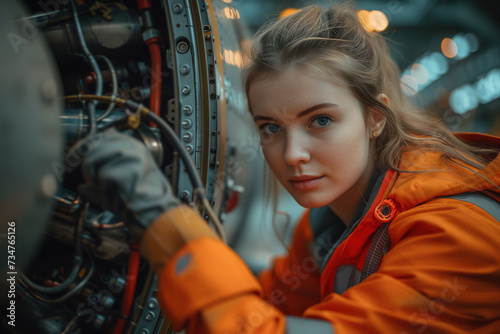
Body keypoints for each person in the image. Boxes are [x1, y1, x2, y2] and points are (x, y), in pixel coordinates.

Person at [80, 3, 500, 333]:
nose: (292, 154)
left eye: (320, 120)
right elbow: (268, 309)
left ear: (375, 117)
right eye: (271, 127)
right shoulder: (329, 223)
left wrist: (166, 225)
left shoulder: (458, 234)